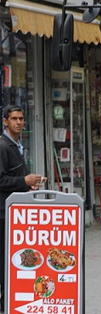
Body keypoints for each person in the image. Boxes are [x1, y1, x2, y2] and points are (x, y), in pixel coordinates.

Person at [0, 106, 46, 307]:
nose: (18, 122)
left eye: (21, 118)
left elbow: (15, 178)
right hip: (3, 213)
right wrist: (24, 181)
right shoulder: (2, 146)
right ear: (5, 122)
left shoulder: (16, 145)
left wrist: (29, 184)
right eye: (13, 119)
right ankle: (5, 301)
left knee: (14, 258)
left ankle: (10, 298)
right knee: (4, 260)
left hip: (15, 212)